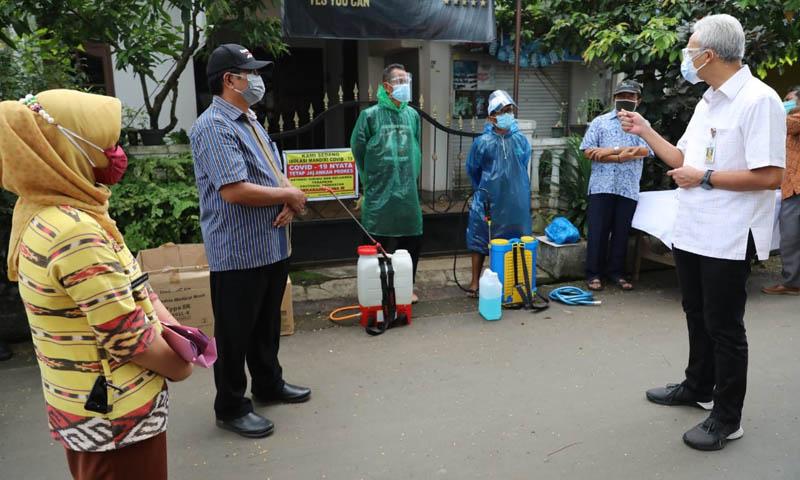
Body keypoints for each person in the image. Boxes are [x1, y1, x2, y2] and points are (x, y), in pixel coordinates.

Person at [0, 89, 193, 479]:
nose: (115, 152)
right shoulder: (74, 232)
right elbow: (127, 337)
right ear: (65, 148)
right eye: (105, 142)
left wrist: (175, 330)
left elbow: (130, 284)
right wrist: (181, 365)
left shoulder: (43, 208)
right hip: (116, 422)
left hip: (91, 410)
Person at [619, 14, 785, 451]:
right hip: (693, 227)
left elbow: (770, 175)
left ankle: (727, 419)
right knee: (695, 310)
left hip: (730, 233)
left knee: (724, 326)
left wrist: (705, 177)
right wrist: (646, 131)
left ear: (708, 54)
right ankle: (698, 386)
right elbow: (683, 160)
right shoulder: (708, 100)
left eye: (690, 49)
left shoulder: (759, 100)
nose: (686, 57)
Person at [189, 44, 310, 439]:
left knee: (266, 326)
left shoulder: (249, 120)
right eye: (250, 73)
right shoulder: (214, 126)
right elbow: (234, 190)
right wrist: (287, 195)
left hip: (270, 243)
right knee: (235, 334)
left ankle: (268, 383)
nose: (257, 80)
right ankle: (230, 406)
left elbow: (272, 169)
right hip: (238, 251)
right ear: (230, 80)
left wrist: (288, 197)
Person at [351, 63, 422, 303]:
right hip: (379, 190)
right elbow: (358, 148)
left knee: (411, 239)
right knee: (375, 240)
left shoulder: (412, 115)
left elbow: (415, 148)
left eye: (406, 80)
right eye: (400, 81)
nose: (405, 85)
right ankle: (376, 287)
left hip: (407, 190)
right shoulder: (369, 116)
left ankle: (406, 287)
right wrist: (371, 177)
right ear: (386, 86)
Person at [581, 80, 652, 292]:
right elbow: (589, 151)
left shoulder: (643, 125)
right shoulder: (600, 122)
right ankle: (593, 274)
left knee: (621, 232)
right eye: (622, 96)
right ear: (614, 98)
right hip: (601, 185)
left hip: (627, 186)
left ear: (639, 100)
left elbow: (645, 151)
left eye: (631, 96)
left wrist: (609, 151)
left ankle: (617, 273)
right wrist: (621, 155)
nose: (626, 100)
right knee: (597, 232)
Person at [465, 90, 532, 297]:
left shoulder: (520, 140)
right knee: (480, 238)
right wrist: (485, 189)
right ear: (491, 117)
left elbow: (524, 163)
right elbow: (473, 169)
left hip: (516, 199)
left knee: (517, 238)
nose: (508, 114)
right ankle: (475, 282)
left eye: (510, 110)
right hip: (489, 198)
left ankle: (514, 280)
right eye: (503, 111)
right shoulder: (482, 142)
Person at [762, 86, 800, 295]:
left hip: (796, 188)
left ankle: (793, 283)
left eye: (790, 100)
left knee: (791, 238)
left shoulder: (793, 120)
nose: (786, 103)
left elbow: (784, 124)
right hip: (791, 186)